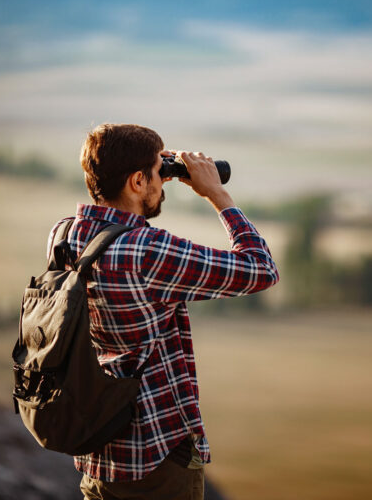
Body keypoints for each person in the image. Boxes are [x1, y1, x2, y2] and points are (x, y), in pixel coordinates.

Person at [47, 123, 280, 500]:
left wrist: (155, 170)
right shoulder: (148, 252)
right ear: (137, 181)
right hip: (157, 457)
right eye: (159, 172)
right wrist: (217, 194)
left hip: (96, 452)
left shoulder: (63, 235)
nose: (163, 182)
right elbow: (261, 270)